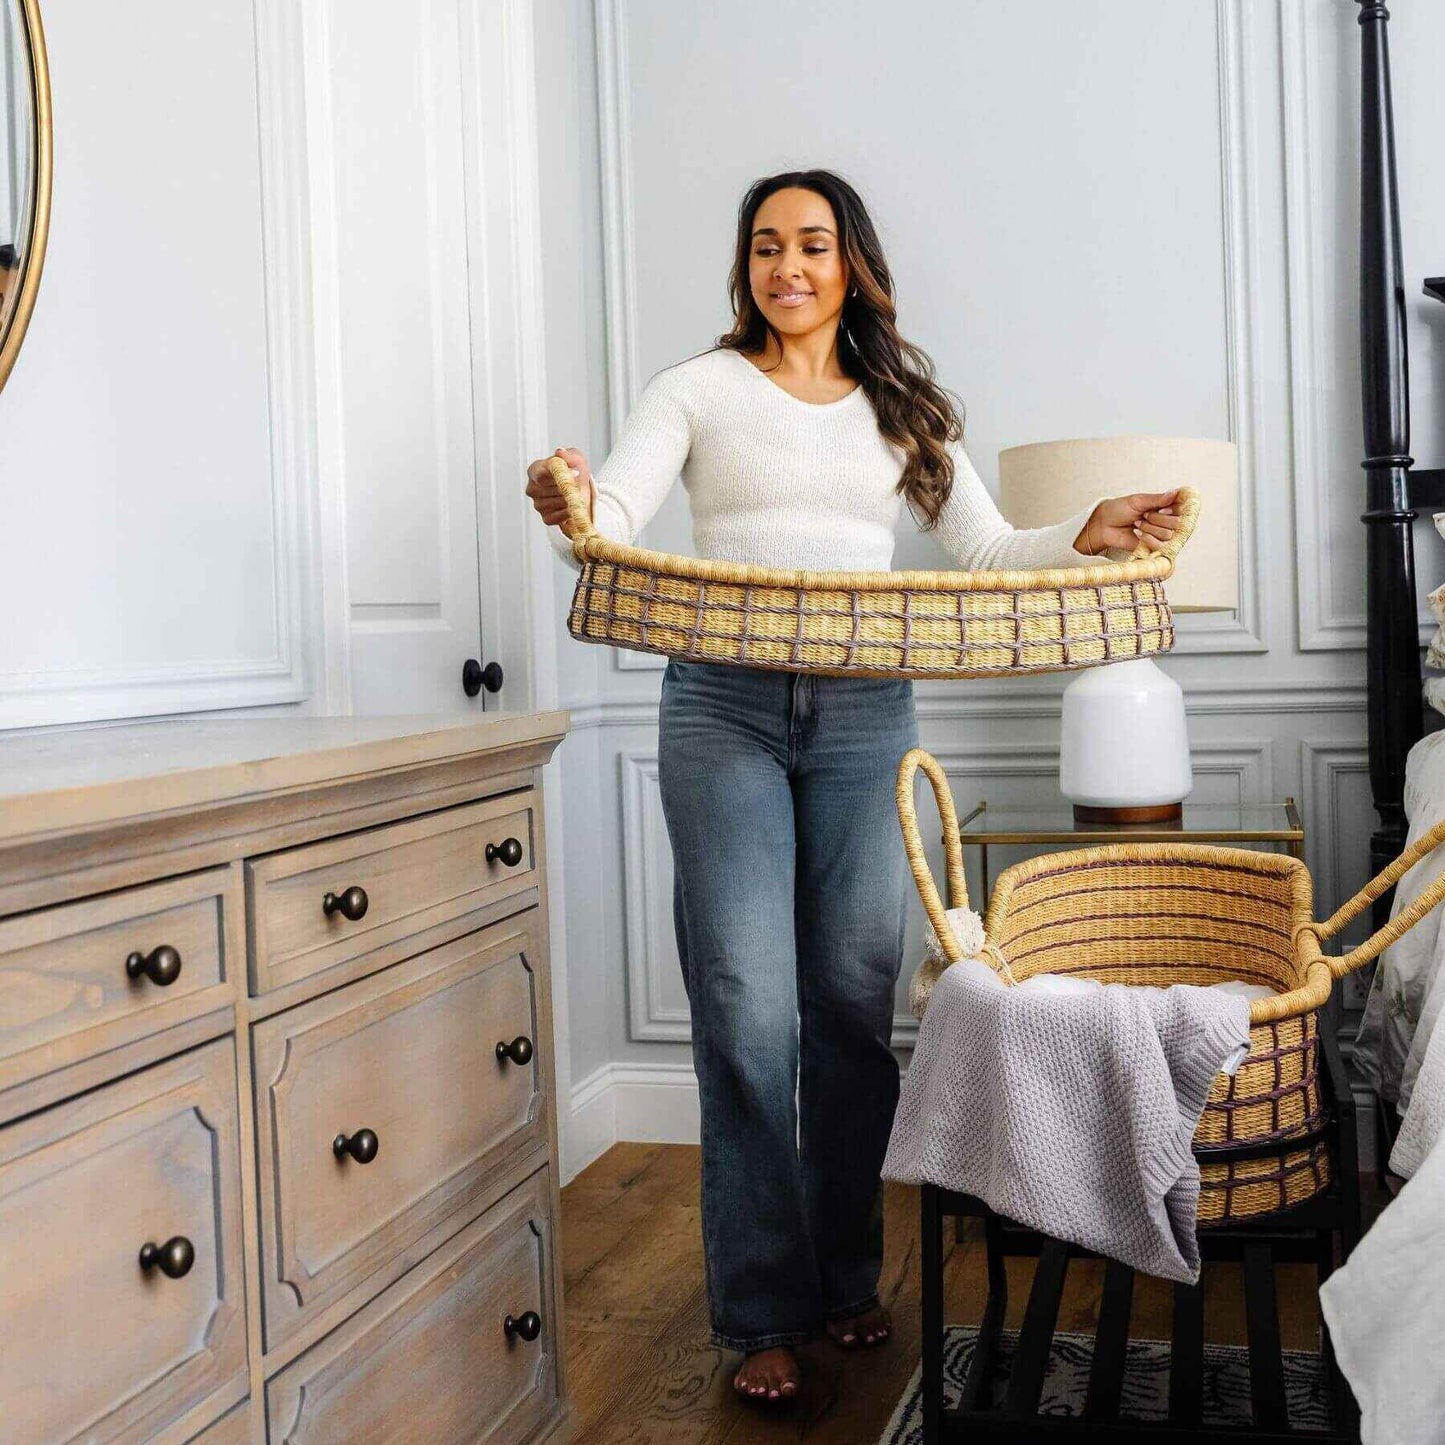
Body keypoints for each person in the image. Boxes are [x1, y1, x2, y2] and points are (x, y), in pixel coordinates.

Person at [526, 169, 1180, 1406]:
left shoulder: (902, 407)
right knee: (743, 1008)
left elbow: (985, 551)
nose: (786, 266)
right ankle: (759, 1308)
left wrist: (1081, 531)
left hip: (865, 712)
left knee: (842, 1003)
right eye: (765, 245)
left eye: (811, 244)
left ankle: (843, 1276)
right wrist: (570, 504)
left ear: (850, 264)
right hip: (718, 705)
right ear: (745, 265)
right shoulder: (696, 389)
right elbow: (608, 515)